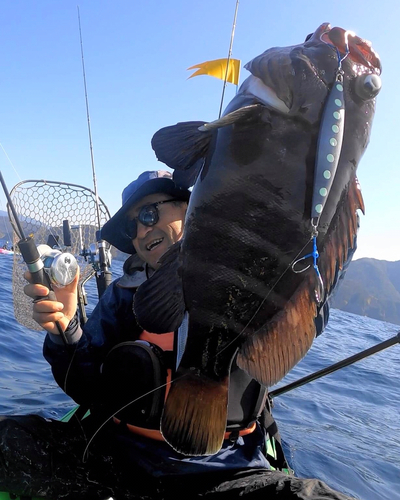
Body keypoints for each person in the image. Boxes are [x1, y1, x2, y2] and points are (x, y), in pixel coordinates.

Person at [0, 170, 356, 500]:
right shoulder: (124, 294)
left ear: (191, 209)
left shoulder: (254, 279)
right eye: (132, 227)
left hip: (227, 473)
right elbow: (84, 386)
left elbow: (311, 302)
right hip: (114, 458)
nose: (141, 231)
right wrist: (66, 328)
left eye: (150, 214)